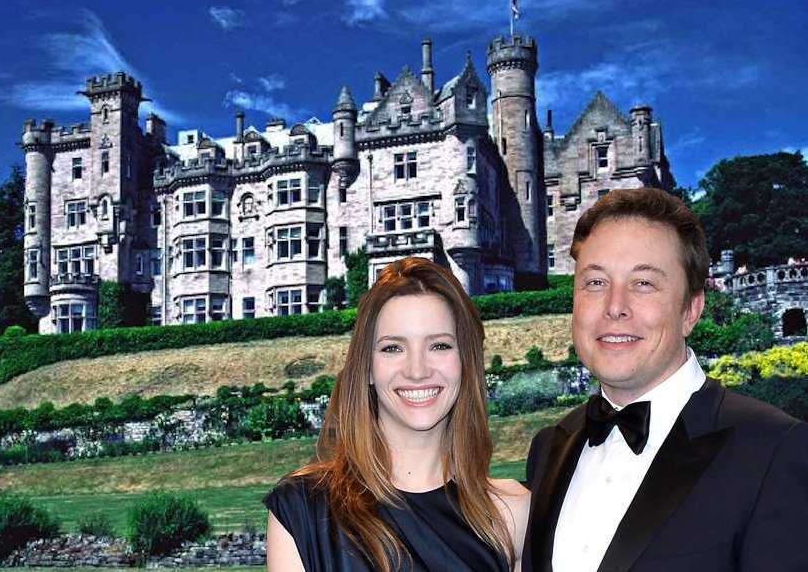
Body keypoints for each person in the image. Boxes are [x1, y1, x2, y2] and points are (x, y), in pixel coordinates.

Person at [523, 188, 808, 572]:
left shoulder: (775, 450)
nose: (615, 307)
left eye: (643, 283)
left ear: (691, 309)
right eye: (595, 283)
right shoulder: (549, 448)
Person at [265, 256, 529, 571]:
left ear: (466, 362)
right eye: (393, 348)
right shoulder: (303, 508)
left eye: (439, 346)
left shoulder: (514, 514)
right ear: (367, 367)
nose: (417, 371)